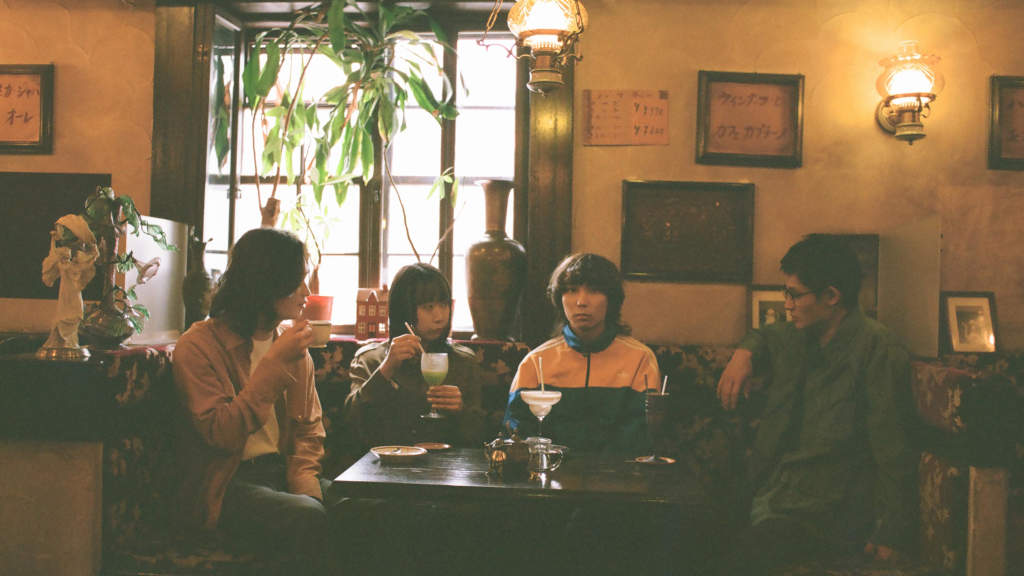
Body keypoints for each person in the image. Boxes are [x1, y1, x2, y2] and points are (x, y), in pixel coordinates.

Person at [715, 234, 918, 573]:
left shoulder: (876, 347)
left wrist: (893, 530)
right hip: (775, 493)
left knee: (740, 559)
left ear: (831, 297)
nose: (787, 305)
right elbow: (765, 335)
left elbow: (893, 448)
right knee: (686, 532)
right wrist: (744, 353)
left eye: (794, 295)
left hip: (827, 510)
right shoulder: (798, 335)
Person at [172, 228, 329, 570]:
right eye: (298, 280)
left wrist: (306, 486)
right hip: (226, 485)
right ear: (267, 282)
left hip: (283, 473)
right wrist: (274, 365)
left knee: (362, 506)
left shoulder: (293, 346)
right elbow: (221, 433)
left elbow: (309, 432)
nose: (307, 292)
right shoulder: (198, 346)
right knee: (307, 516)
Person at [504, 253, 660, 452]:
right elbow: (517, 431)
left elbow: (640, 433)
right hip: (551, 468)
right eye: (571, 290)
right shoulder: (536, 361)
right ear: (559, 298)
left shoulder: (640, 359)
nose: (581, 302)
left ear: (611, 299)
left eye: (594, 290)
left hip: (618, 469)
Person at [346, 263, 486, 448]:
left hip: (447, 464)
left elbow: (479, 439)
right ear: (404, 309)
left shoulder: (463, 361)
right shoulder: (370, 359)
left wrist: (461, 410)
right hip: (386, 461)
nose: (439, 317)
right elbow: (352, 426)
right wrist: (386, 369)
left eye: (443, 305)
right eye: (428, 307)